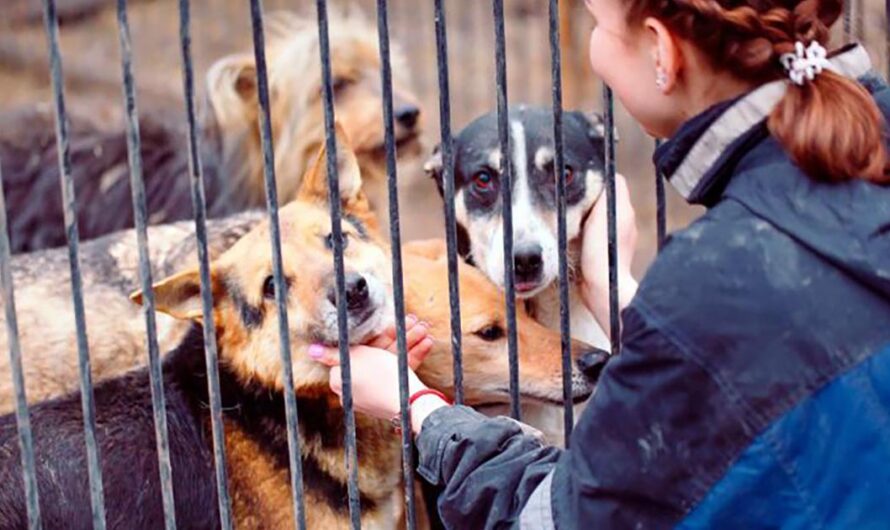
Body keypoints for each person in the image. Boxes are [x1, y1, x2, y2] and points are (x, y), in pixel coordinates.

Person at [308, 0, 890, 526]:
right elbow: (729, 383)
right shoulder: (860, 150)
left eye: (597, 25)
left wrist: (417, 409)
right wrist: (610, 286)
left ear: (661, 51)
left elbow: (561, 518)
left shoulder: (712, 275)